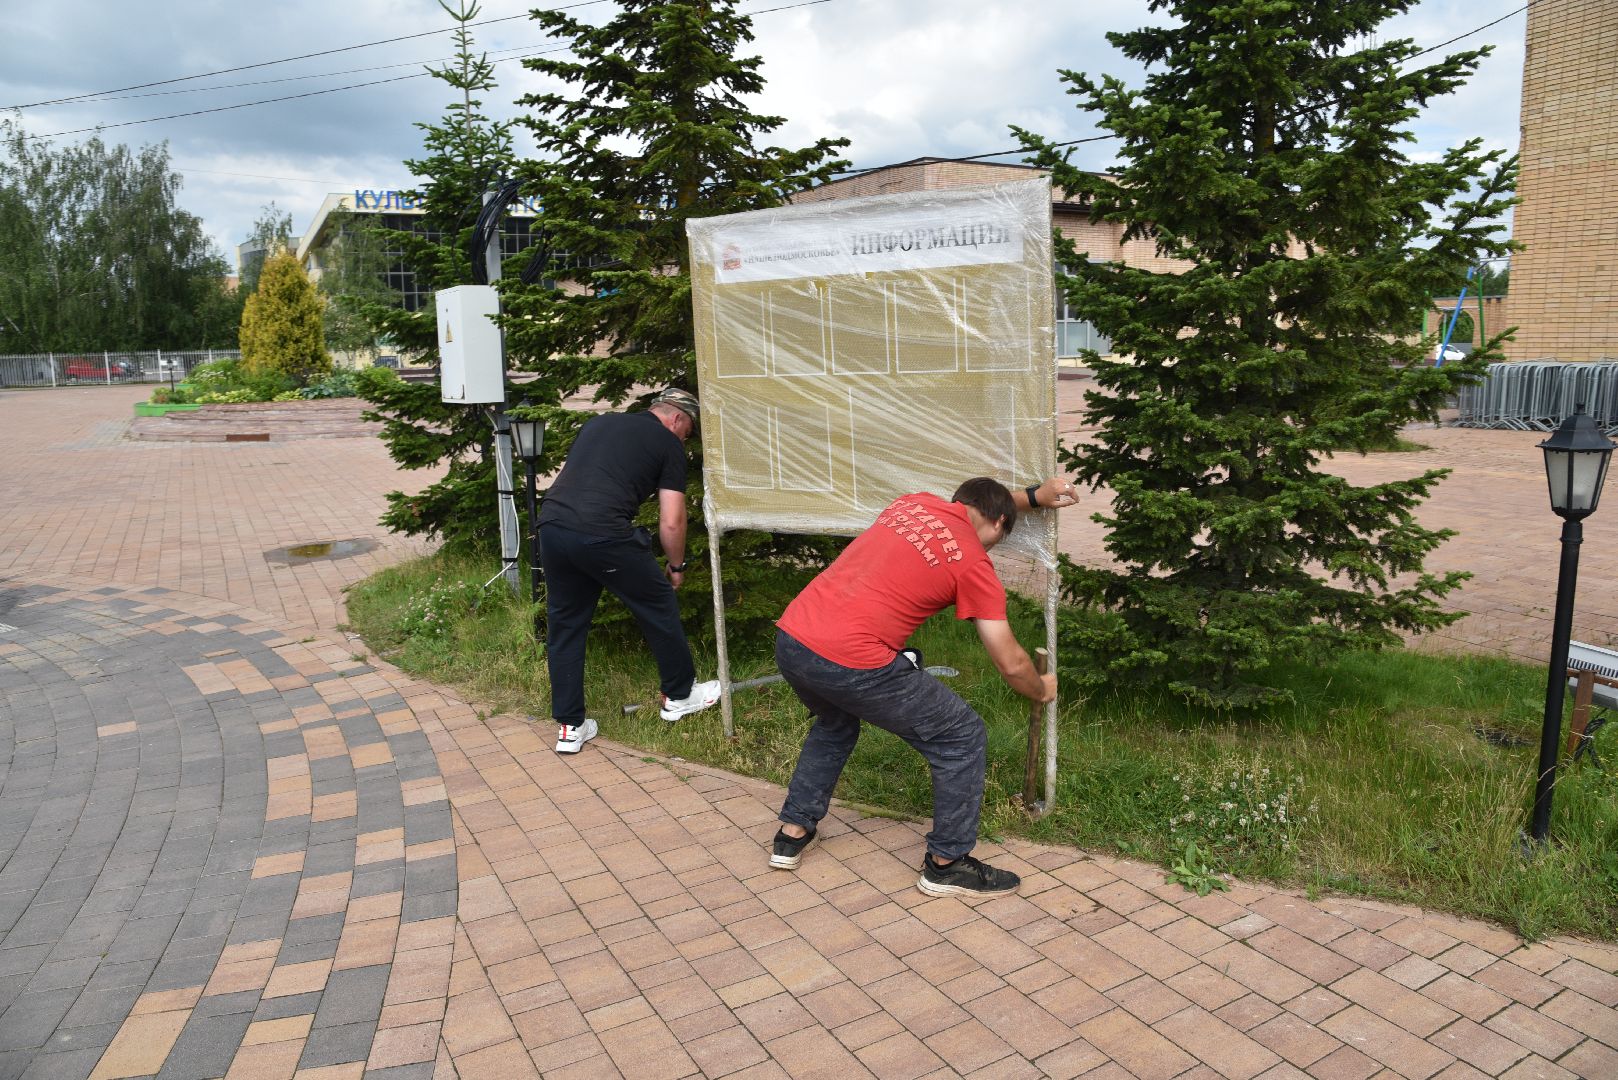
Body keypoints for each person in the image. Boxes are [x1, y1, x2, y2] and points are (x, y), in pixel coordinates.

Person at [767, 476, 1080, 896]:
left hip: (793, 639)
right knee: (960, 735)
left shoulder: (912, 504)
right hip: (853, 659)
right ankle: (947, 863)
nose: (991, 549)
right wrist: (1040, 689)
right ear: (1000, 521)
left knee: (835, 722)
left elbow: (980, 505)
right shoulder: (973, 563)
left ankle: (792, 833)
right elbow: (1010, 660)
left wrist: (1033, 497)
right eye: (998, 539)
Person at [538, 387, 721, 753]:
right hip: (604, 532)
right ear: (677, 418)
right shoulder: (669, 445)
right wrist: (676, 565)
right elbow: (672, 521)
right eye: (688, 431)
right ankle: (680, 695)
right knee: (658, 603)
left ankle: (571, 728)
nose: (686, 438)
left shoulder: (599, 424)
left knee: (566, 626)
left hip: (553, 527)